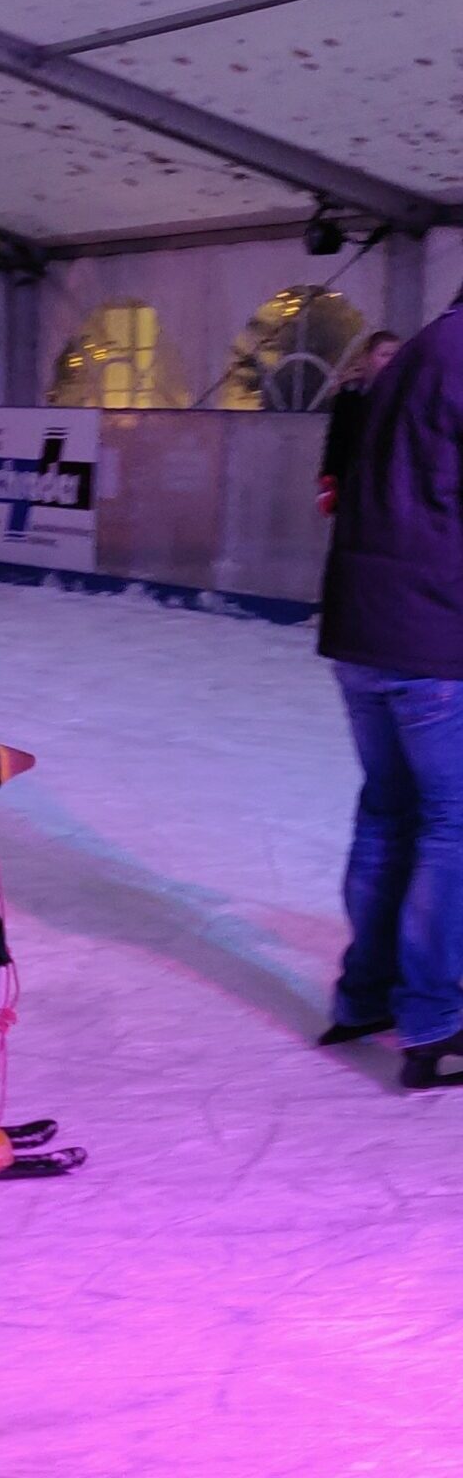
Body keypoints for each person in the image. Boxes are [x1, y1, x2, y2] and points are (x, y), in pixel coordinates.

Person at [318, 286, 463, 1089]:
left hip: (364, 628)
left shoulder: (409, 357)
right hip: (432, 632)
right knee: (450, 825)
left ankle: (365, 994)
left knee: (389, 813)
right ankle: (436, 1022)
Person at [318, 330, 400, 517]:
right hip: (353, 485)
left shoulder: (403, 398)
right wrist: (329, 482)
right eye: (384, 355)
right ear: (367, 359)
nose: (391, 361)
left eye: (396, 356)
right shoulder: (350, 396)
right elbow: (336, 441)